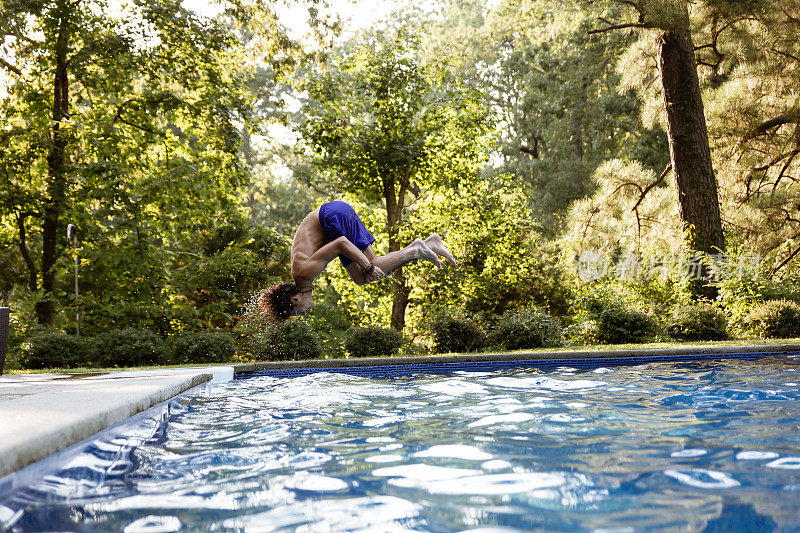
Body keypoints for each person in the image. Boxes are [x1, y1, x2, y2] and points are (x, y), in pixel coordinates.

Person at [259, 200, 456, 320]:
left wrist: (367, 266)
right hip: (334, 213)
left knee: (365, 274)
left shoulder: (303, 273)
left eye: (297, 312)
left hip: (331, 217)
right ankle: (428, 244)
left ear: (296, 299)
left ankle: (417, 249)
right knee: (368, 273)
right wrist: (369, 266)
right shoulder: (303, 275)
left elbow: (341, 243)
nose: (302, 314)